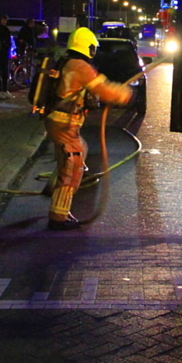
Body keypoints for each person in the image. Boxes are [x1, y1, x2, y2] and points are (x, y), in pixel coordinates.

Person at [44, 27, 133, 230]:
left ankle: (52, 186)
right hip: (64, 123)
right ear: (88, 47)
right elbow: (104, 89)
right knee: (73, 166)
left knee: (78, 151)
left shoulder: (68, 61)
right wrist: (125, 94)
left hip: (60, 121)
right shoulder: (80, 66)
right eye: (93, 48)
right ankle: (58, 217)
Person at [0, 15, 13, 99]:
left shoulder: (6, 30)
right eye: (3, 20)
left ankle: (5, 90)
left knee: (5, 72)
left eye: (5, 20)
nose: (4, 21)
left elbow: (9, 41)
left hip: (4, 53)